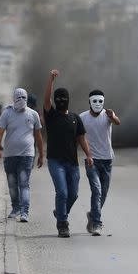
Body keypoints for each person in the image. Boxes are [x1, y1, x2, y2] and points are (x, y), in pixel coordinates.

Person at [43, 69, 94, 238]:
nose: (61, 100)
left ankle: (60, 212)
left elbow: (82, 139)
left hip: (72, 163)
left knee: (73, 194)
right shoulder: (51, 116)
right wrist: (51, 81)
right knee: (62, 192)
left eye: (63, 98)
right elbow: (47, 100)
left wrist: (89, 155)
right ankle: (62, 224)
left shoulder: (75, 118)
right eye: (58, 98)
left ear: (68, 100)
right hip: (55, 162)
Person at [0, 88, 44, 222]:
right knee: (12, 183)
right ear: (14, 98)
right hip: (9, 155)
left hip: (27, 155)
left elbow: (38, 136)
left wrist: (41, 154)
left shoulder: (33, 114)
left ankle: (24, 212)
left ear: (27, 98)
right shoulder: (7, 113)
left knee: (24, 183)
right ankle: (15, 208)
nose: (21, 100)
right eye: (18, 97)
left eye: (23, 97)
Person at [80, 90, 120, 236]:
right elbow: (77, 136)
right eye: (94, 101)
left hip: (107, 160)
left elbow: (118, 122)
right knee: (96, 191)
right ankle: (97, 223)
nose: (97, 104)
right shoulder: (82, 117)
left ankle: (93, 215)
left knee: (103, 193)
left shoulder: (108, 115)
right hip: (92, 161)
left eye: (100, 101)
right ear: (89, 101)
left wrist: (112, 116)